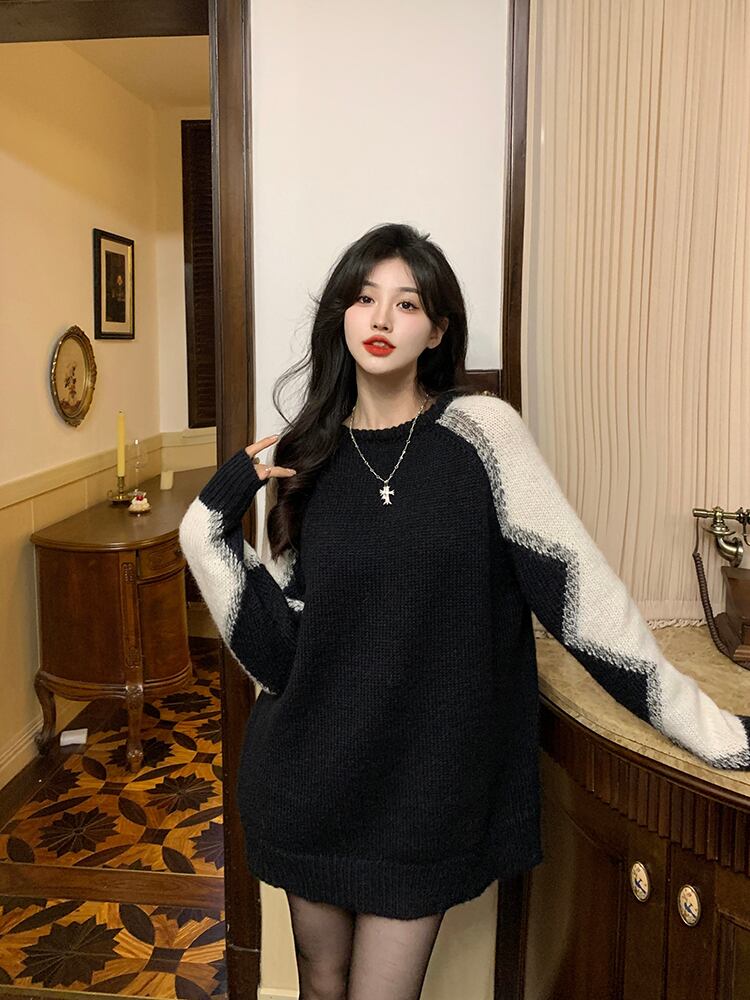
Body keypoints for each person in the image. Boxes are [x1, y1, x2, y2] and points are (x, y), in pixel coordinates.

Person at [179, 222, 750, 1000]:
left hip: (424, 792)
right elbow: (280, 656)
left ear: (438, 329)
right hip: (309, 781)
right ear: (341, 315)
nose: (382, 319)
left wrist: (713, 731)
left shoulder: (483, 433)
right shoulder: (307, 460)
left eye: (407, 303)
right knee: (319, 985)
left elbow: (584, 602)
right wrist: (210, 517)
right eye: (365, 298)